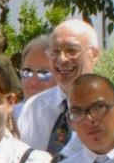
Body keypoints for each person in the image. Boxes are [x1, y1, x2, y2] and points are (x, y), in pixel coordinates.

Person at [19, 19, 99, 155]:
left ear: (94, 55)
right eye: (55, 52)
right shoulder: (34, 108)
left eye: (72, 50)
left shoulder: (112, 107)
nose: (62, 59)